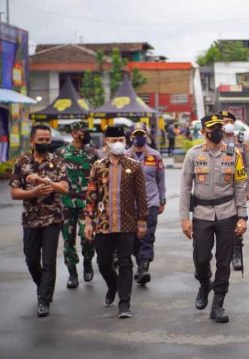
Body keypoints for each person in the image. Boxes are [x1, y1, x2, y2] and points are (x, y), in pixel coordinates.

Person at [179, 114, 248, 323]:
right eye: (212, 129)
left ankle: (218, 303)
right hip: (202, 214)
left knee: (224, 261)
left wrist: (242, 216)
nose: (217, 131)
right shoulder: (193, 155)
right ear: (203, 132)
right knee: (201, 258)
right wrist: (184, 218)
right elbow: (185, 187)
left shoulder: (233, 154)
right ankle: (203, 283)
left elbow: (240, 186)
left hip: (227, 213)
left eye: (219, 127)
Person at [84, 125, 148, 319]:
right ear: (106, 142)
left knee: (126, 263)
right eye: (113, 140)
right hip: (103, 223)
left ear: (125, 141)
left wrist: (142, 221)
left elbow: (141, 195)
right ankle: (113, 285)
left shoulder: (133, 166)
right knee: (103, 262)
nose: (118, 144)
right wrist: (88, 221)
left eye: (120, 140)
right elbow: (91, 194)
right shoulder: (98, 166)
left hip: (126, 223)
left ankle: (124, 304)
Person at [10, 124, 69, 317]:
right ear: (32, 141)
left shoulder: (58, 162)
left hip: (53, 219)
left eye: (47, 139)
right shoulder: (22, 162)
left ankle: (44, 300)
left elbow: (65, 188)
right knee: (31, 259)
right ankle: (42, 286)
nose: (45, 143)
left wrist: (46, 182)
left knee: (49, 261)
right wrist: (33, 192)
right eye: (41, 139)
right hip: (31, 220)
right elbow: (14, 192)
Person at [56, 121, 98, 289]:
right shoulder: (61, 153)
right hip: (66, 203)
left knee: (87, 237)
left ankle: (87, 261)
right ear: (74, 133)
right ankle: (72, 273)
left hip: (86, 203)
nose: (86, 134)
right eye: (83, 131)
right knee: (68, 240)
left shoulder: (93, 153)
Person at [126, 122, 166, 285]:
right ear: (131, 137)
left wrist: (162, 200)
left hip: (151, 203)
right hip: (129, 205)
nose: (139, 138)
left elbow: (161, 180)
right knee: (134, 238)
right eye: (136, 135)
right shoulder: (124, 156)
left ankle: (144, 268)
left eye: (142, 134)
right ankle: (139, 263)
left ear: (147, 136)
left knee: (147, 236)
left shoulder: (155, 156)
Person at [220, 110, 249, 272]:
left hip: (238, 187)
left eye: (229, 121)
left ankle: (237, 253)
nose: (227, 123)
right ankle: (223, 253)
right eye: (224, 121)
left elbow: (247, 165)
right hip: (221, 187)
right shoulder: (215, 140)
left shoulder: (240, 141)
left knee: (239, 220)